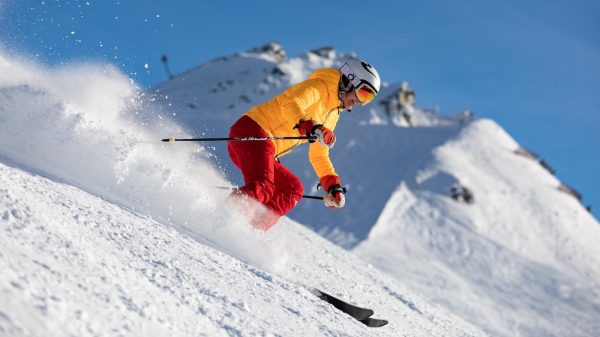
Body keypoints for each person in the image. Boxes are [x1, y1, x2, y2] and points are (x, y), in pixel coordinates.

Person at [227, 59, 381, 230]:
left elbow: (319, 154)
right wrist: (310, 125)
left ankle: (250, 230)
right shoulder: (319, 87)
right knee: (263, 187)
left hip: (266, 149)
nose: (360, 102)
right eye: (363, 93)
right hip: (253, 131)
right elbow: (291, 103)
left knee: (292, 189)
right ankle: (223, 216)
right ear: (349, 80)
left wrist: (332, 185)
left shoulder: (333, 113)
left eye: (368, 99)